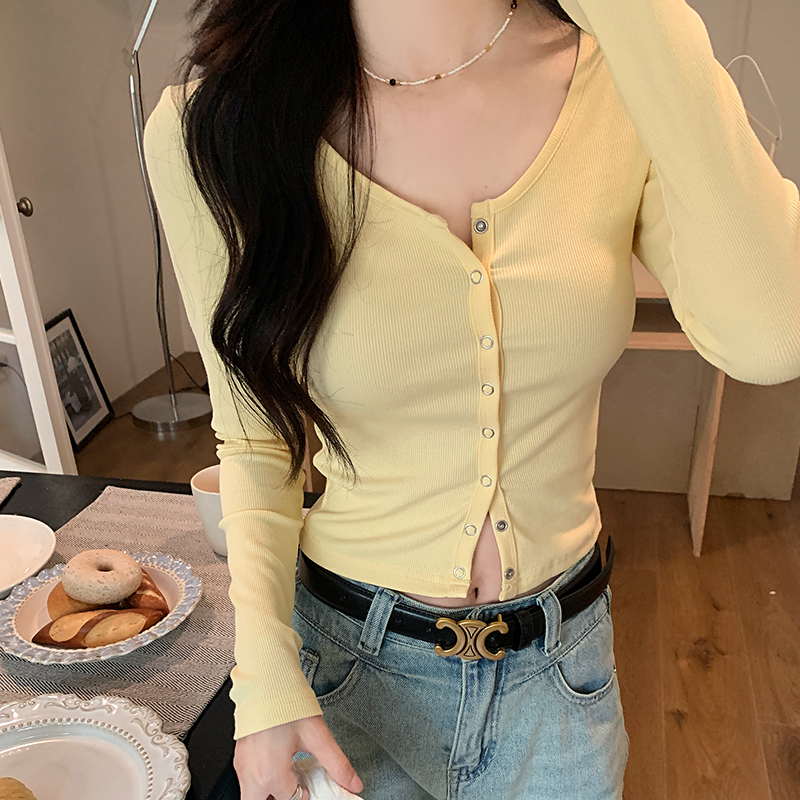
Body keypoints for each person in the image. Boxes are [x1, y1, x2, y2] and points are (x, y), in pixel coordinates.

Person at [143, 0, 800, 798]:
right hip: (345, 678)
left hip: (560, 682)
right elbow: (256, 440)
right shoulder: (217, 126)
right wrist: (264, 672)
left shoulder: (620, 76)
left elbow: (772, 336)